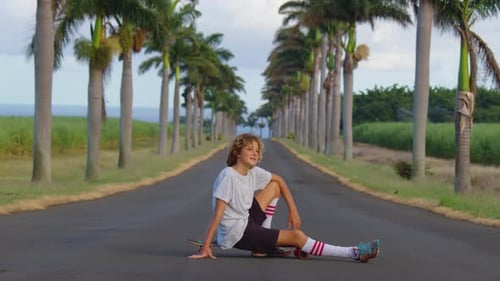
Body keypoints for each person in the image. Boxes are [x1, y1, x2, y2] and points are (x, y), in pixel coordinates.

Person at [188, 133, 380, 262]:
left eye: (257, 150)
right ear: (237, 153)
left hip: (247, 220)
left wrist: (293, 210)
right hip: (237, 233)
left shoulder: (252, 172)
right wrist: (206, 246)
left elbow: (279, 180)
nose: (255, 153)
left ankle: (264, 245)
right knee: (297, 236)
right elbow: (218, 213)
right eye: (249, 149)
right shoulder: (228, 175)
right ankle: (353, 253)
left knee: (273, 186)